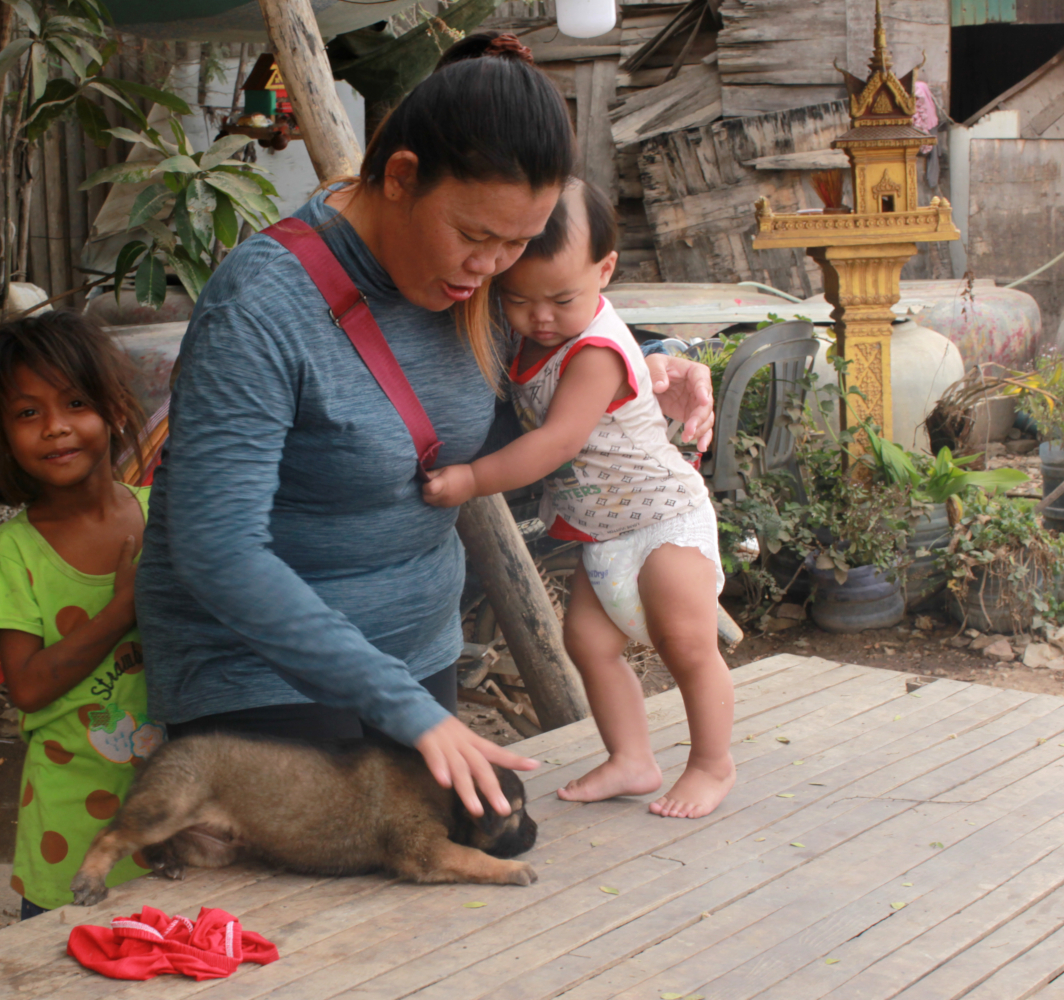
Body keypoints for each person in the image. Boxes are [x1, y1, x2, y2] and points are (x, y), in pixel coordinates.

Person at [137, 33, 716, 820]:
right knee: (378, 862)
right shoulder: (264, 306)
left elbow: (569, 325)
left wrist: (658, 362)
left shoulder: (487, 280)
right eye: (478, 238)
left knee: (493, 835)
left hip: (417, 651)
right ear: (403, 177)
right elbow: (216, 550)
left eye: (516, 244)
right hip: (262, 670)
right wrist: (405, 708)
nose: (493, 269)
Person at [422, 180, 735, 819]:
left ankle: (711, 763)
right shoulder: (540, 334)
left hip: (663, 517)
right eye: (518, 299)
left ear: (605, 271)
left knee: (688, 642)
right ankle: (631, 758)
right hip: (603, 532)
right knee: (589, 643)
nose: (540, 317)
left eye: (562, 299)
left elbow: (558, 443)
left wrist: (472, 480)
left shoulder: (594, 350)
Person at [0, 312, 163, 918]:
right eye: (28, 413)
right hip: (70, 833)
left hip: (175, 817)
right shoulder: (14, 553)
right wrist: (123, 608)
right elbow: (26, 687)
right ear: (4, 435)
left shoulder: (166, 516)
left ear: (117, 408)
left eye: (75, 402)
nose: (55, 428)